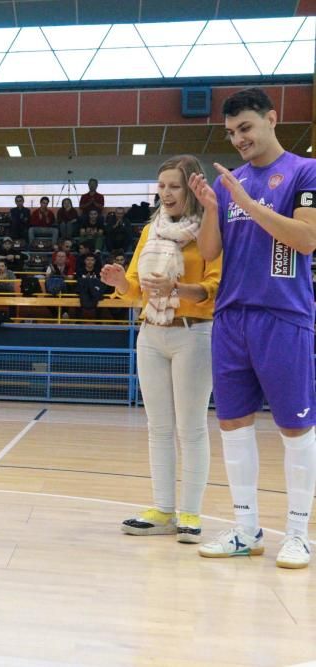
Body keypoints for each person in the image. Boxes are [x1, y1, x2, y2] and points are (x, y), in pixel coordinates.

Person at [188, 88, 316, 568]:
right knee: (233, 423)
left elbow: (305, 240)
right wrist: (213, 207)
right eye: (230, 133)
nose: (238, 139)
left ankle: (299, 534)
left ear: (271, 119)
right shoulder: (227, 183)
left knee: (295, 426)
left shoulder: (306, 171)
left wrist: (245, 198)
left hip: (283, 315)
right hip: (231, 318)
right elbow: (209, 253)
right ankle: (246, 529)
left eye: (245, 128)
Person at [101, 155, 221, 544]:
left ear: (191, 189)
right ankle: (163, 510)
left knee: (191, 428)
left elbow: (215, 288)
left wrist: (177, 289)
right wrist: (120, 282)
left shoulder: (210, 231)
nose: (165, 193)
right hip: (150, 334)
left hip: (194, 333)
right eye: (162, 186)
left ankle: (190, 513)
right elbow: (135, 287)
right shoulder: (150, 231)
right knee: (159, 428)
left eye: (174, 186)